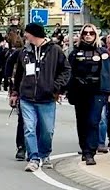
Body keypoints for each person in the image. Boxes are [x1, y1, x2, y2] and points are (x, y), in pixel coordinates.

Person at [10, 22, 71, 171]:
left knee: (47, 130)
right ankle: (34, 158)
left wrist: (56, 86)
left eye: (27, 33)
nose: (25, 35)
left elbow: (66, 70)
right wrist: (14, 92)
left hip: (47, 98)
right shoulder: (24, 52)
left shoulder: (55, 50)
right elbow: (18, 75)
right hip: (27, 97)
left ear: (33, 34)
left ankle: (45, 154)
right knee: (29, 128)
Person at [66, 24, 110, 165]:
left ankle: (90, 152)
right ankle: (85, 149)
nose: (88, 35)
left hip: (98, 92)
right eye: (85, 33)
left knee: (94, 121)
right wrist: (65, 90)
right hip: (80, 91)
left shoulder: (103, 53)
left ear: (95, 35)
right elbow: (67, 73)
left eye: (91, 33)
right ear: (81, 35)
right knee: (82, 122)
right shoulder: (75, 54)